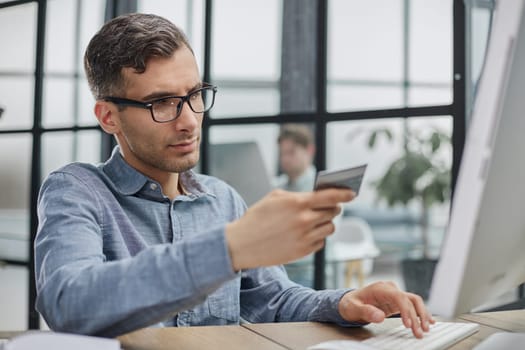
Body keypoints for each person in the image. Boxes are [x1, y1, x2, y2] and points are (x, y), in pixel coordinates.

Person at [34, 13, 434, 338]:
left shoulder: (222, 199)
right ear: (108, 116)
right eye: (161, 103)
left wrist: (344, 302)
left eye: (194, 95)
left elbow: (273, 301)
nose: (189, 121)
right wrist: (227, 249)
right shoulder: (77, 190)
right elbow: (69, 304)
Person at [274, 124, 317, 192]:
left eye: (291, 152)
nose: (285, 159)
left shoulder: (321, 187)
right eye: (282, 153)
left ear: (310, 150)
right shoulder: (275, 187)